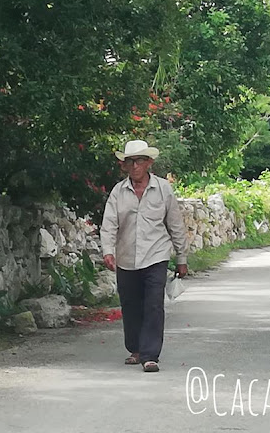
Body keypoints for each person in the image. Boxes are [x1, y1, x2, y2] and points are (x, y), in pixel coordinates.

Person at [100, 140, 189, 373]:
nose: (135, 166)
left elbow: (175, 224)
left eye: (140, 161)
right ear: (125, 166)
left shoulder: (162, 189)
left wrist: (181, 258)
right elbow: (109, 224)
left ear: (149, 163)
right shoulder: (118, 192)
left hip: (156, 255)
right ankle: (136, 349)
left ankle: (150, 356)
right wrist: (108, 251)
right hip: (127, 256)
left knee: (153, 304)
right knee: (130, 305)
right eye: (130, 162)